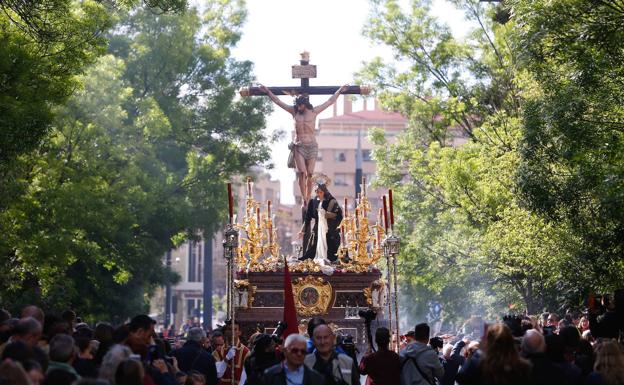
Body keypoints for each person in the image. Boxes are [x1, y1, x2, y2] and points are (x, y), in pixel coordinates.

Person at [259, 84, 349, 206]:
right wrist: (268, 92)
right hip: (299, 145)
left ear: (305, 104)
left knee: (310, 173)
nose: (298, 107)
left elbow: (330, 101)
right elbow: (278, 101)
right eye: (297, 106)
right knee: (302, 172)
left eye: (300, 105)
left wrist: (339, 91)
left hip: (312, 146)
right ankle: (304, 198)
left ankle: (308, 195)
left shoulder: (314, 112)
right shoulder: (294, 111)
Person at [457, 323, 531, 385]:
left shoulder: (479, 364)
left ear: (489, 341)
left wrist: (479, 351)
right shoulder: (523, 366)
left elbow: (461, 377)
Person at [300, 183, 342, 262]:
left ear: (324, 192)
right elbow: (307, 218)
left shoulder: (332, 201)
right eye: (316, 192)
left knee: (331, 250)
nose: (318, 194)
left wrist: (325, 214)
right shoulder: (313, 202)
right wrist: (302, 230)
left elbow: (338, 216)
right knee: (313, 249)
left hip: (329, 229)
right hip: (317, 229)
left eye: (320, 192)